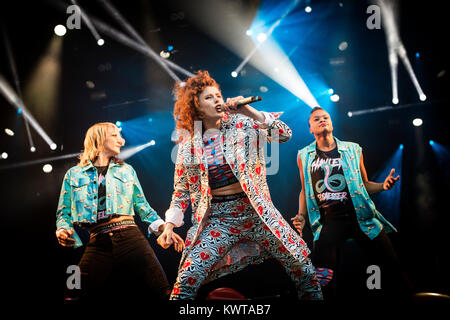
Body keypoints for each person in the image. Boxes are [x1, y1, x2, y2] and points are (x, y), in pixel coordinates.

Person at [157, 70, 322, 300]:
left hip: (257, 212)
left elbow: (284, 134)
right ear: (195, 107)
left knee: (302, 266)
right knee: (187, 278)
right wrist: (169, 226)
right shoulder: (188, 146)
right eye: (208, 97)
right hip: (219, 219)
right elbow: (181, 191)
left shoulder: (242, 123)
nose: (217, 100)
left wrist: (248, 111)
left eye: (218, 95)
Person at [56, 122, 184, 301]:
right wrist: (63, 229)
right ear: (99, 139)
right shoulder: (74, 174)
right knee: (73, 291)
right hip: (97, 242)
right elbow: (63, 212)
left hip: (130, 236)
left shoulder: (126, 170)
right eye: (115, 135)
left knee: (161, 288)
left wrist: (164, 228)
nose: (121, 141)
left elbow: (143, 206)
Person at [292, 106, 411, 299]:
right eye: (316, 119)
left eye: (325, 117)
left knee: (392, 267)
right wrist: (301, 215)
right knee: (323, 279)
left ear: (331, 123)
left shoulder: (353, 149)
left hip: (361, 218)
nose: (322, 120)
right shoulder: (303, 155)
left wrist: (383, 186)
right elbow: (305, 189)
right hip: (328, 222)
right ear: (310, 129)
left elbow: (364, 184)